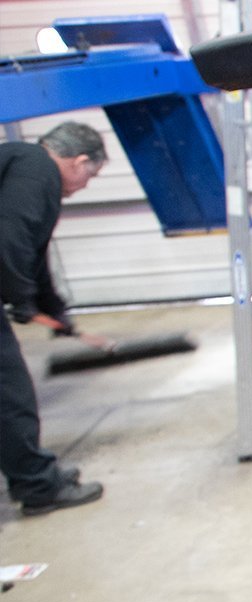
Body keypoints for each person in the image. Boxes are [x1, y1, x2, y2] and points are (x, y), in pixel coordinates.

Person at [1, 121, 112, 515]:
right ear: (79, 161)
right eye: (91, 175)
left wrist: (52, 310)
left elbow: (33, 253)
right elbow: (10, 236)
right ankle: (38, 487)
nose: (85, 185)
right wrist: (22, 301)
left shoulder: (26, 168)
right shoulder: (36, 167)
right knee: (8, 395)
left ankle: (37, 476)